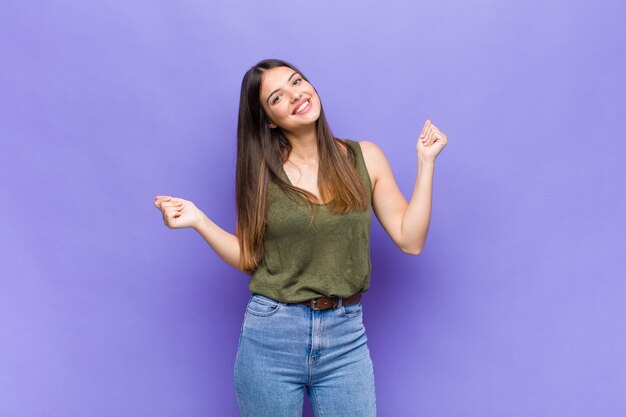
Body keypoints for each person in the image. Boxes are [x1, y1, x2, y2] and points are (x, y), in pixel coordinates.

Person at [153, 58, 447, 417]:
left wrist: (426, 163)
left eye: (297, 81)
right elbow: (249, 257)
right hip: (272, 336)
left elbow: (410, 239)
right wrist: (199, 221)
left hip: (345, 337)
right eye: (277, 97)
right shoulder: (262, 174)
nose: (295, 95)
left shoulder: (365, 157)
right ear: (268, 119)